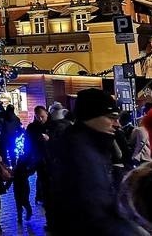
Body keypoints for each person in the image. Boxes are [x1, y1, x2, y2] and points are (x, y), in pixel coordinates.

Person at [50, 88, 138, 235]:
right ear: (91, 117)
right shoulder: (81, 153)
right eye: (111, 117)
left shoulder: (91, 145)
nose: (117, 124)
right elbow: (95, 212)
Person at [24, 105, 49, 203]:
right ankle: (41, 197)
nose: (40, 119)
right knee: (42, 176)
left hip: (49, 156)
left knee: (44, 177)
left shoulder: (51, 125)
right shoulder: (32, 127)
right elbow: (27, 142)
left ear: (46, 114)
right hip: (38, 156)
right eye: (38, 117)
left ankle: (41, 196)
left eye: (42, 116)